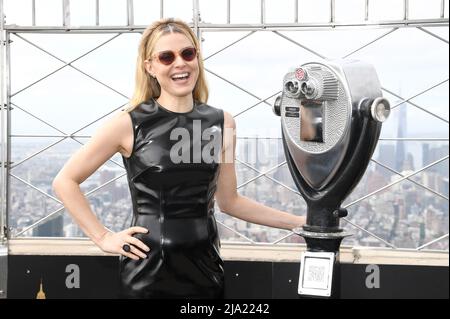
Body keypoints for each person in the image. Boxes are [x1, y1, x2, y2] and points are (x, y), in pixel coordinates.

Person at [52, 18, 306, 299]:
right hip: (147, 273)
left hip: (206, 269)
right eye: (166, 57)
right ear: (150, 67)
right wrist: (103, 237)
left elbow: (230, 201)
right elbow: (65, 181)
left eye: (188, 53)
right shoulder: (128, 124)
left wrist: (300, 222)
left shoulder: (223, 123)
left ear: (197, 58)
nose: (180, 63)